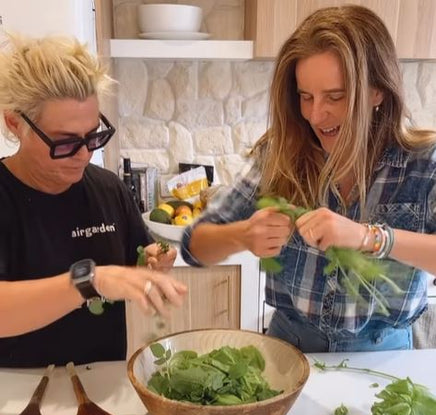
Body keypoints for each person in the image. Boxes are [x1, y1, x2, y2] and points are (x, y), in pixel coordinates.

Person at [181, 5, 436, 353]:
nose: (316, 115)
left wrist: (368, 237)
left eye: (335, 96)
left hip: (386, 355)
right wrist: (243, 234)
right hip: (290, 348)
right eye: (305, 97)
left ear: (377, 92)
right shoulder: (280, 153)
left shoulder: (423, 163)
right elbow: (195, 245)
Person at [0, 33, 187, 367]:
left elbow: (134, 263)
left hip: (100, 382)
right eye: (65, 142)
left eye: (93, 135)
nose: (85, 154)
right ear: (15, 123)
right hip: (16, 391)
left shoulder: (109, 189)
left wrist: (153, 262)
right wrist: (90, 282)